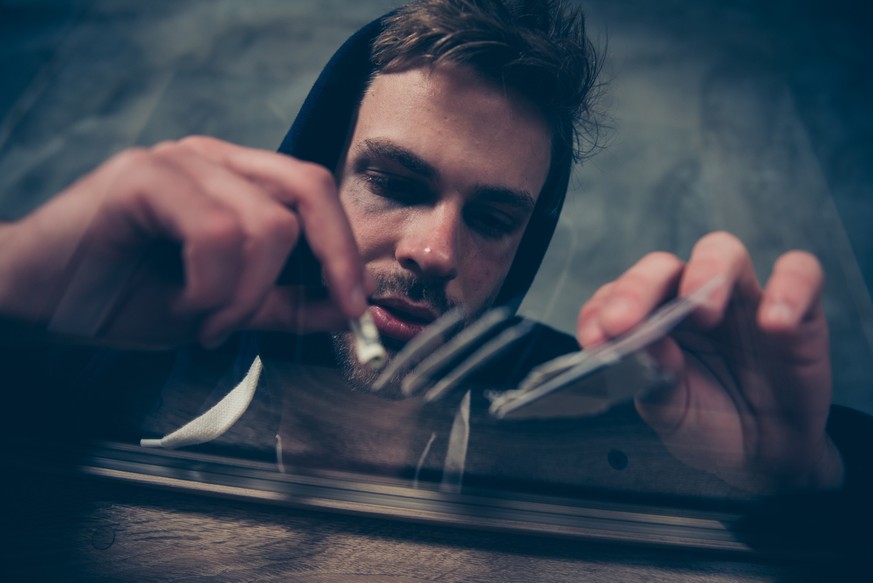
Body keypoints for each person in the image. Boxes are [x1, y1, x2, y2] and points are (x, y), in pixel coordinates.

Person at [1, 0, 870, 512]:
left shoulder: (600, 406)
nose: (435, 251)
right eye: (395, 182)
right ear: (311, 173)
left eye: (493, 218)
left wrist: (806, 479)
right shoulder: (114, 351)